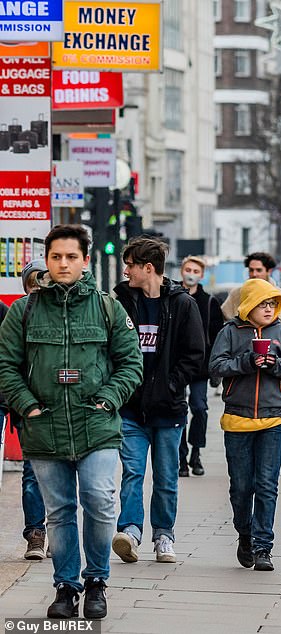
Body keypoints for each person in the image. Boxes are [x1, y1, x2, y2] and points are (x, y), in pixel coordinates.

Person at [0, 225, 143, 619]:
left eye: (71, 257)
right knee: (60, 511)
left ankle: (97, 580)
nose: (63, 263)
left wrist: (109, 399)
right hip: (43, 427)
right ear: (47, 260)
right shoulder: (22, 310)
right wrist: (26, 405)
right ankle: (66, 587)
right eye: (56, 256)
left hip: (96, 426)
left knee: (99, 500)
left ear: (85, 261)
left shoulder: (107, 308)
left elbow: (131, 363)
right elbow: (5, 366)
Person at [112, 237, 205, 566]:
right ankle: (130, 531)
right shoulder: (121, 300)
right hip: (131, 408)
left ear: (147, 268)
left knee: (166, 478)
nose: (126, 272)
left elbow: (195, 355)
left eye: (130, 266)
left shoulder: (181, 304)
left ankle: (163, 535)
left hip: (169, 409)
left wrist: (170, 385)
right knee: (132, 472)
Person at [209, 278, 281, 571]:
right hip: (237, 418)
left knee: (266, 485)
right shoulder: (230, 332)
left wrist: (275, 364)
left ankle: (264, 546)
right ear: (248, 305)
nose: (268, 308)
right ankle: (245, 534)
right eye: (263, 303)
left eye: (272, 303)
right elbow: (215, 366)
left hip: (273, 418)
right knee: (240, 487)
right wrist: (247, 361)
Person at [222, 252, 281, 382]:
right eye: (251, 270)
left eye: (259, 270)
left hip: (275, 363)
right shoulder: (238, 293)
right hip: (242, 365)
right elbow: (225, 317)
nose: (254, 274)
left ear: (269, 270)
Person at [12, 260, 49, 560]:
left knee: (63, 476)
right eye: (32, 284)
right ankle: (35, 533)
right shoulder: (18, 314)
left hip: (64, 409)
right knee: (32, 473)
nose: (36, 289)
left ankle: (60, 533)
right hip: (29, 409)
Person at [178, 255, 224, 477]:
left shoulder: (209, 302)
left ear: (202, 275)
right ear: (181, 271)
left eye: (196, 271)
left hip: (200, 365)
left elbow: (216, 336)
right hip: (176, 363)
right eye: (188, 269)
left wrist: (215, 366)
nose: (191, 274)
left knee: (199, 408)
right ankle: (180, 456)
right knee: (178, 409)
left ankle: (196, 452)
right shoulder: (172, 296)